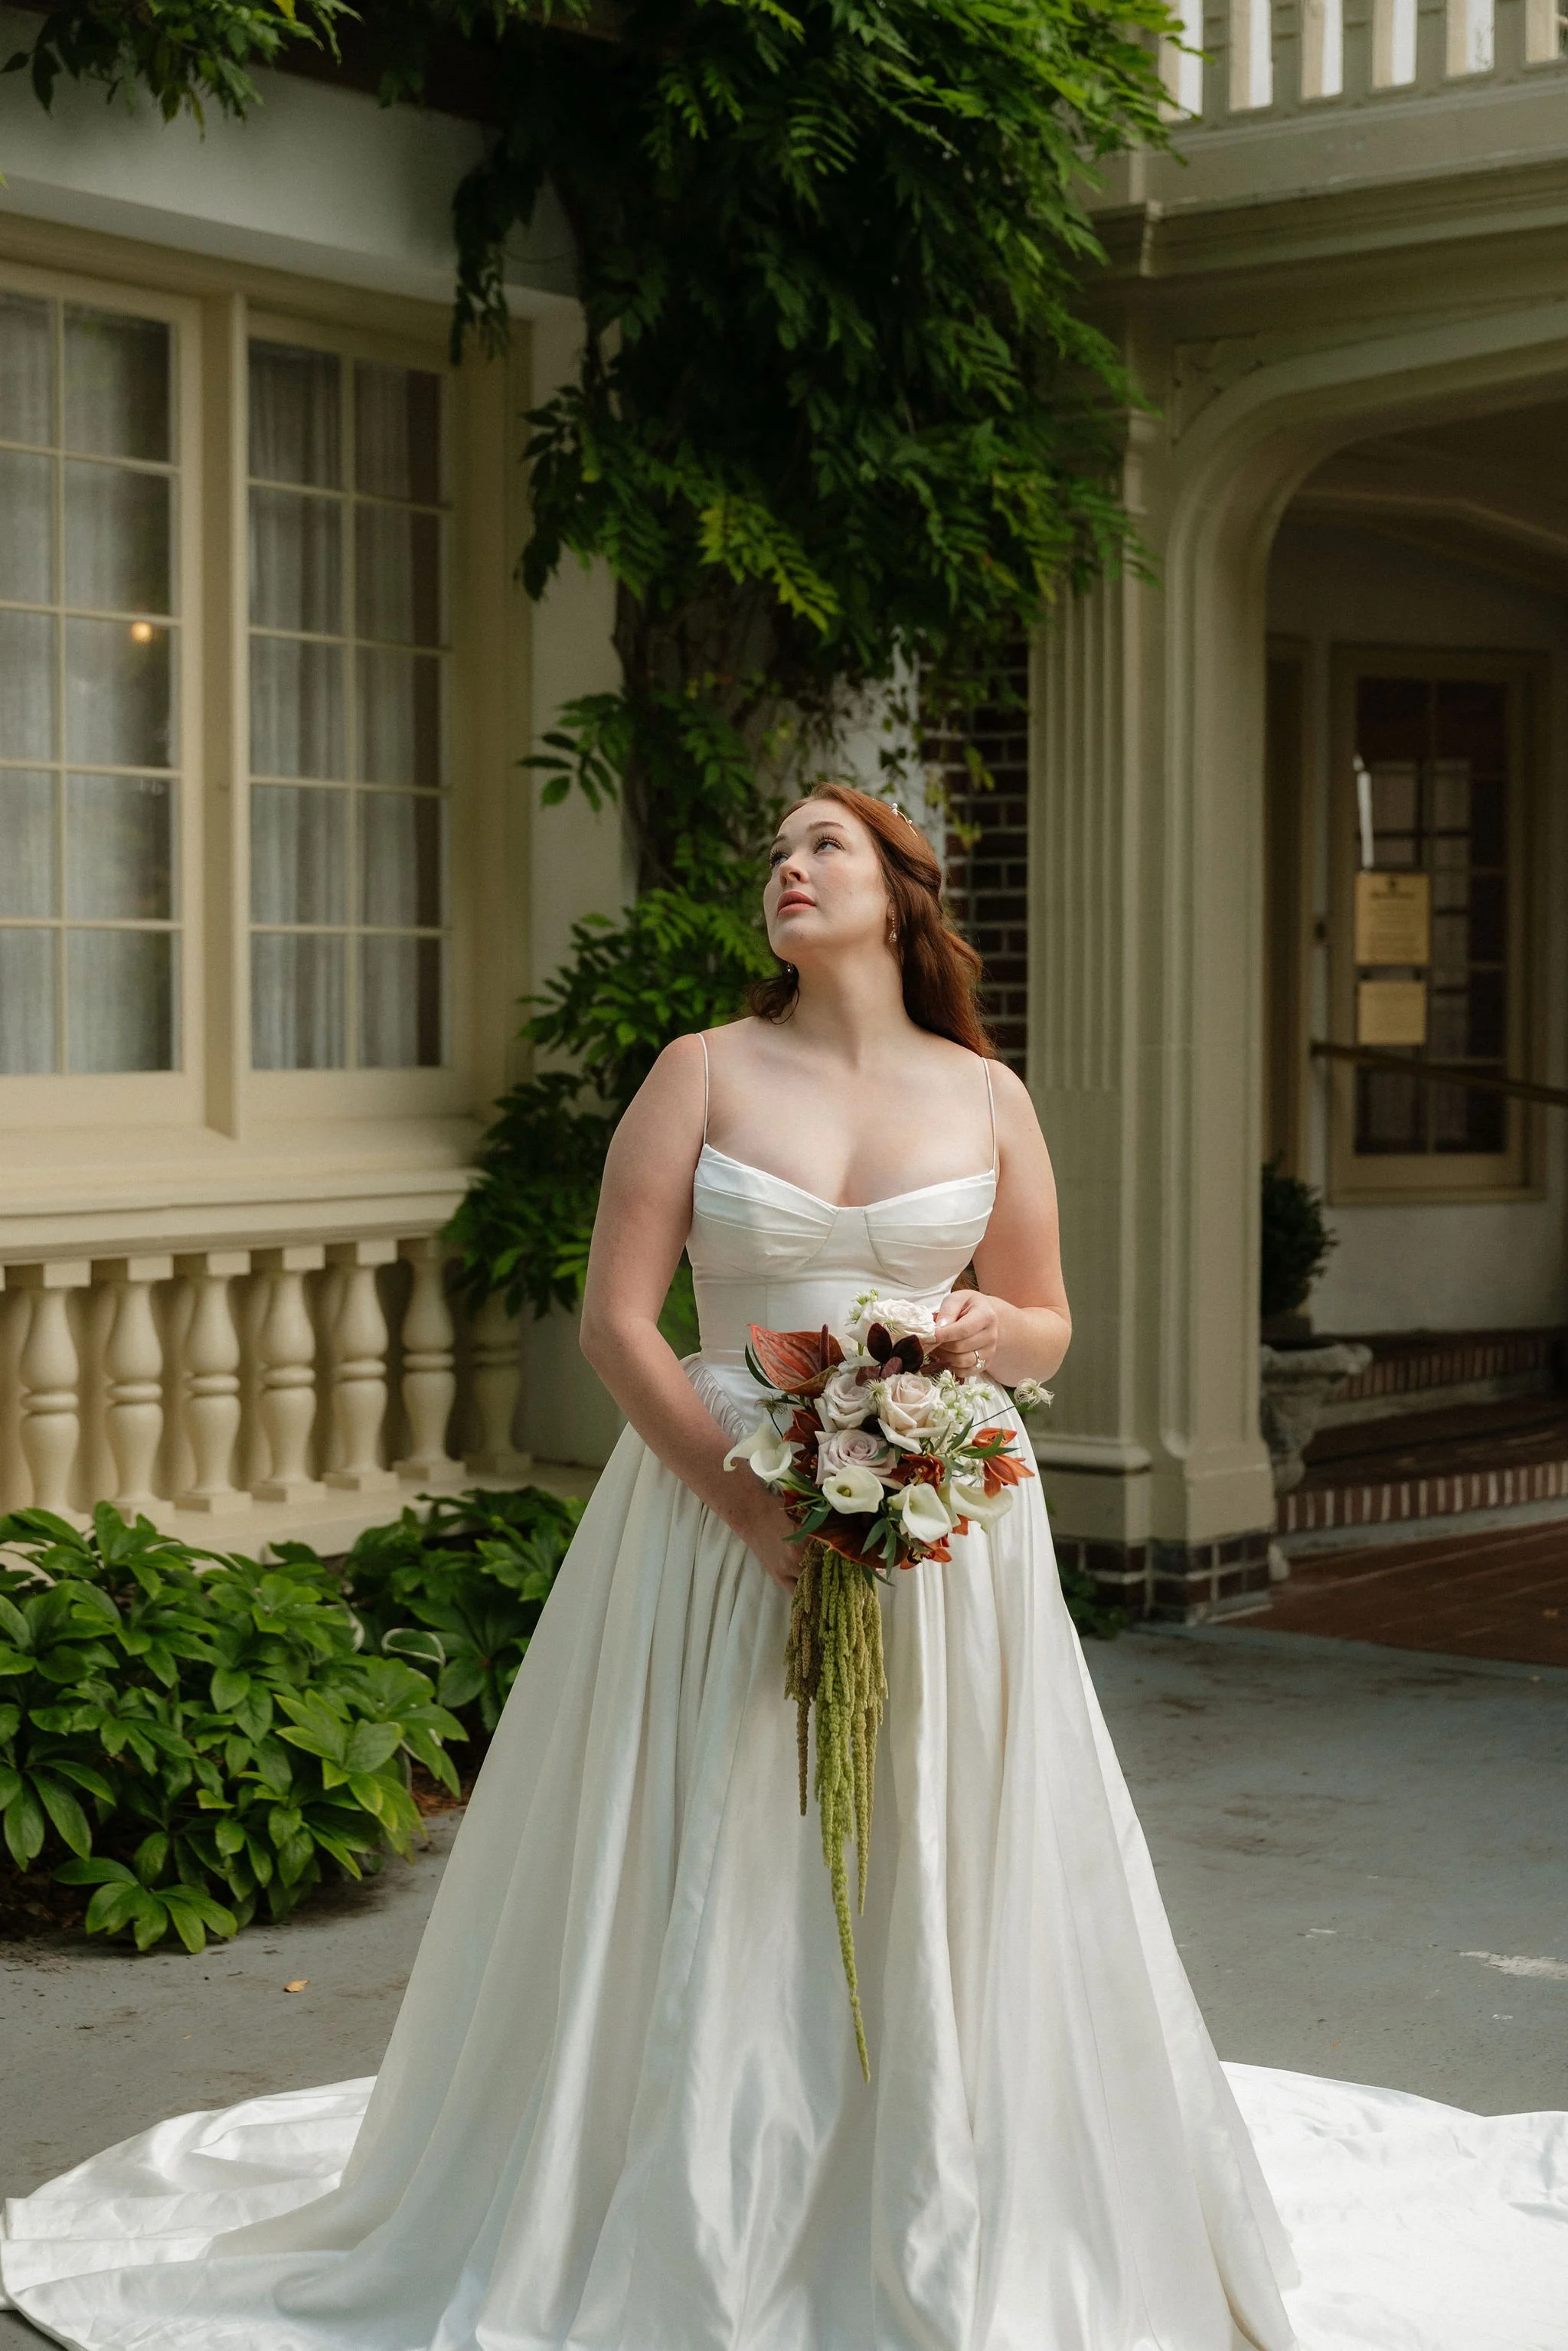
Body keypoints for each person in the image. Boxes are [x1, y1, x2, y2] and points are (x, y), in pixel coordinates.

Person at [2, 784, 1564, 2351]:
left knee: (934, 1816)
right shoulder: (701, 1068)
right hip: (715, 1502)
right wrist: (744, 1505)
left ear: (900, 891)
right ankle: (692, 2171)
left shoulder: (989, 1093)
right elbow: (617, 1321)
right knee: (724, 1811)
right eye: (777, 853)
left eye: (825, 846)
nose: (788, 870)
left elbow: (1046, 1322)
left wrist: (984, 1331)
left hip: (942, 1519)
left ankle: (931, 2145)